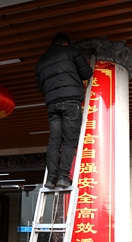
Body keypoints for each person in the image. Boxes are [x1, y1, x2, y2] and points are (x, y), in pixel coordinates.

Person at [36, 33, 94, 189]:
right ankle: (63, 177)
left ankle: (51, 179)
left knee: (54, 141)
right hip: (71, 101)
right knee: (69, 140)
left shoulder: (41, 61)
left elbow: (41, 87)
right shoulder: (71, 52)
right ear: (66, 44)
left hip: (52, 104)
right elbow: (87, 73)